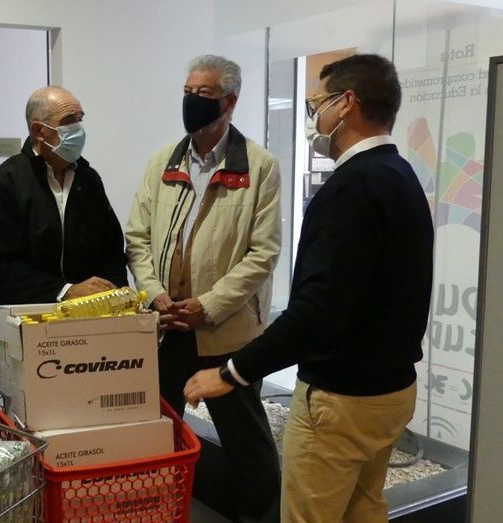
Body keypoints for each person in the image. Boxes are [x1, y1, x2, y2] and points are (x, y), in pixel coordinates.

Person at [184, 54, 434, 522]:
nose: (313, 115)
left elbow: (316, 311)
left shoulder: (349, 188)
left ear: (347, 103)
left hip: (341, 400)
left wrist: (231, 372)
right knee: (363, 509)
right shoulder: (401, 176)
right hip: (392, 391)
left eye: (317, 103)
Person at [125, 54, 282, 523]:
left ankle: (257, 515)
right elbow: (137, 238)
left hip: (225, 330)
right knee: (159, 428)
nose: (192, 102)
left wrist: (209, 306)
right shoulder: (163, 162)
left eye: (204, 95)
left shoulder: (259, 167)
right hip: (167, 326)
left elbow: (263, 253)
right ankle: (158, 509)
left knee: (246, 439)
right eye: (187, 93)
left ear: (230, 101)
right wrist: (154, 295)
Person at [0, 86, 128, 340]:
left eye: (80, 118)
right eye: (68, 121)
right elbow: (2, 268)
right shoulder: (5, 182)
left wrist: (116, 295)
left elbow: (111, 250)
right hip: (24, 329)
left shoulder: (88, 179)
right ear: (39, 130)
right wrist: (66, 291)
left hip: (89, 329)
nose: (78, 129)